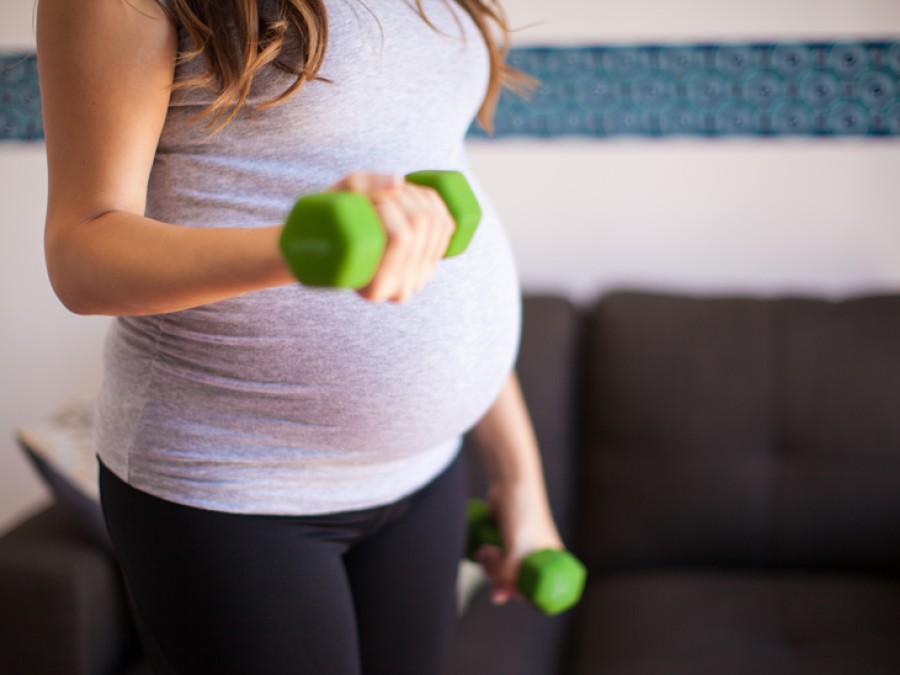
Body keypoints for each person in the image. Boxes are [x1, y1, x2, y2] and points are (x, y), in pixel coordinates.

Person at [36, 0, 564, 672]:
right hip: (230, 484)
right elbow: (82, 253)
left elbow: (435, 237)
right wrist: (299, 247)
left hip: (425, 474)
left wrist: (520, 479)